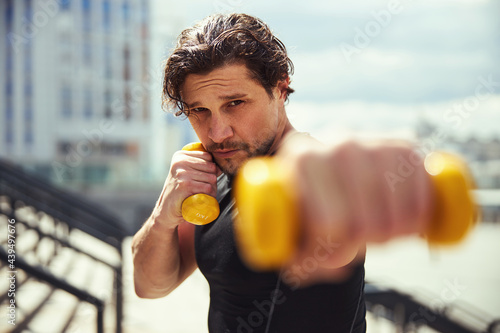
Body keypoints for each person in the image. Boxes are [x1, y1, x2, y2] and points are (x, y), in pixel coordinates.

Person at [131, 13, 433, 333]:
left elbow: (333, 233)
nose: (217, 132)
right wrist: (163, 217)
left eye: (235, 103)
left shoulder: (306, 175)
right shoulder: (213, 176)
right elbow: (150, 287)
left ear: (280, 88)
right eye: (199, 110)